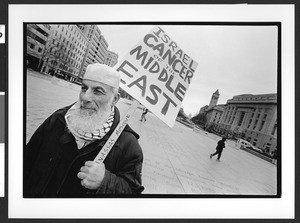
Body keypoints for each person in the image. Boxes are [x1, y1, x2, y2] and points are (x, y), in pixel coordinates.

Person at [24, 63, 144, 197]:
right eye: (84, 88)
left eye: (98, 91)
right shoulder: (58, 119)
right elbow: (26, 161)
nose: (85, 97)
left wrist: (105, 182)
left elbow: (132, 194)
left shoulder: (128, 144)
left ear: (114, 99)